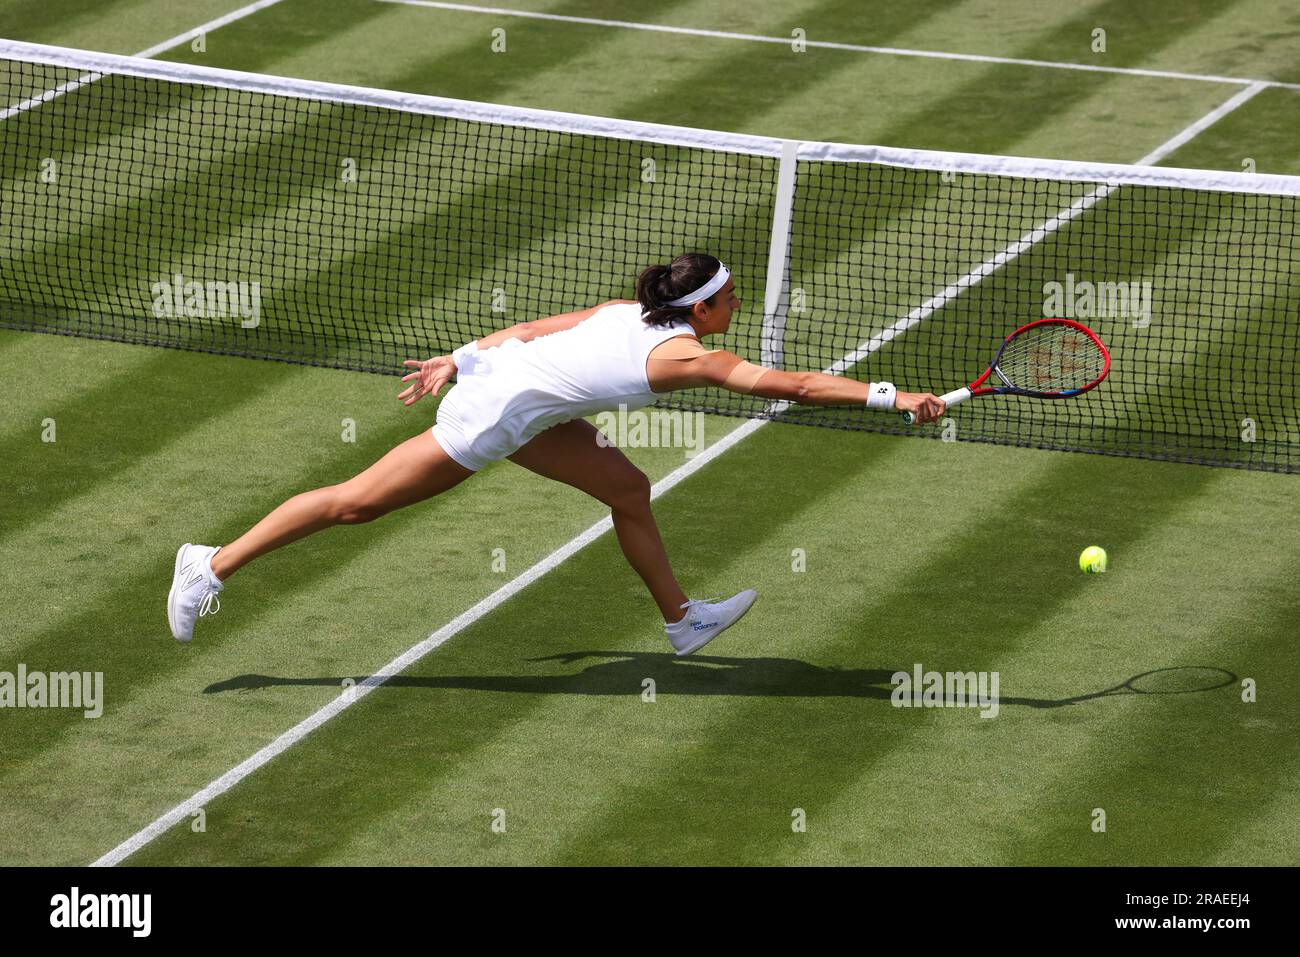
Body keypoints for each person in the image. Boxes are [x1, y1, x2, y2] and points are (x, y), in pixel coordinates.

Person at [167, 253, 945, 655]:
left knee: (629, 487)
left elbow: (532, 329)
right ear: (698, 309)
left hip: (520, 393)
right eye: (730, 299)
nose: (737, 308)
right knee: (354, 503)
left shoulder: (626, 312)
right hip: (494, 416)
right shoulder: (686, 359)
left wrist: (458, 353)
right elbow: (799, 385)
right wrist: (893, 396)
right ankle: (211, 563)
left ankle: (682, 620)